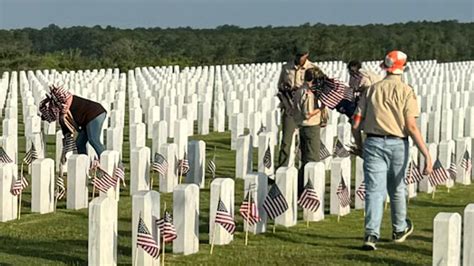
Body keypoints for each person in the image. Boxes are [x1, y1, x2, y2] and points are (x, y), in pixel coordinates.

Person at [352, 51, 433, 251]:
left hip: (373, 143)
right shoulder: (406, 91)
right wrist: (427, 155)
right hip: (398, 143)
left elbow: (355, 123)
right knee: (397, 188)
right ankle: (399, 228)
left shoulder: (371, 90)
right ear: (402, 68)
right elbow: (411, 126)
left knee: (374, 191)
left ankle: (371, 234)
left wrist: (359, 145)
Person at [276, 44, 325, 171]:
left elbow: (321, 90)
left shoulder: (313, 69)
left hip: (306, 110)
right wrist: (286, 103)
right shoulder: (286, 68)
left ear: (307, 55)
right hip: (290, 108)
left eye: (302, 56)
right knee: (286, 142)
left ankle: (306, 172)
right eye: (297, 55)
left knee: (307, 144)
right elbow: (280, 88)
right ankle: (281, 171)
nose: (299, 58)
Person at [39, 85, 107, 156]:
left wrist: (66, 146)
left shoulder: (63, 112)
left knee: (93, 140)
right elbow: (67, 132)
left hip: (95, 114)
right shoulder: (62, 109)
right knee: (80, 143)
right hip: (87, 119)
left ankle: (106, 160)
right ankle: (84, 162)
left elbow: (67, 132)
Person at [293, 68, 325, 196]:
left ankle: (300, 187)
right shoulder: (308, 93)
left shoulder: (300, 90)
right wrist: (321, 108)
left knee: (306, 159)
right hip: (310, 127)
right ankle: (307, 190)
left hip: (304, 127)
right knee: (312, 160)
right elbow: (308, 114)